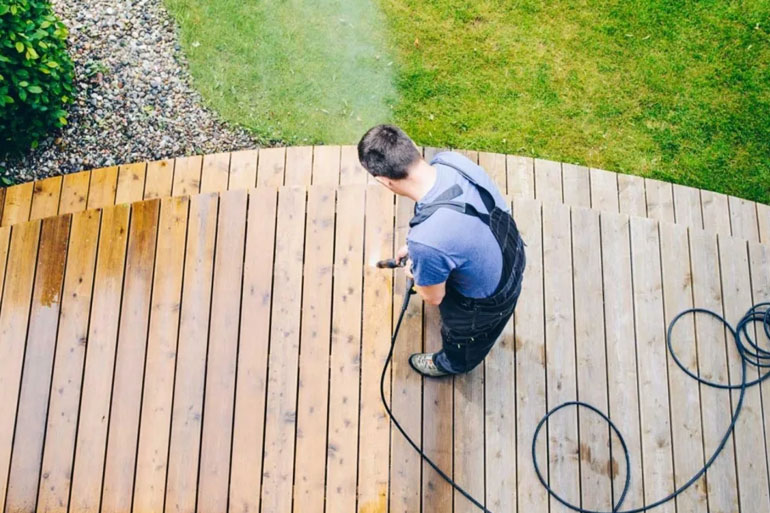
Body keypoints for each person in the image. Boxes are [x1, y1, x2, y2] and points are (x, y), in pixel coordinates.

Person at [357, 124, 526, 377]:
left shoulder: (427, 242)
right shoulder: (450, 162)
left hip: (488, 302)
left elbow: (433, 297)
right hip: (511, 251)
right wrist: (422, 249)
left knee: (465, 342)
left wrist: (418, 269)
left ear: (384, 181)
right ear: (413, 145)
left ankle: (452, 364)